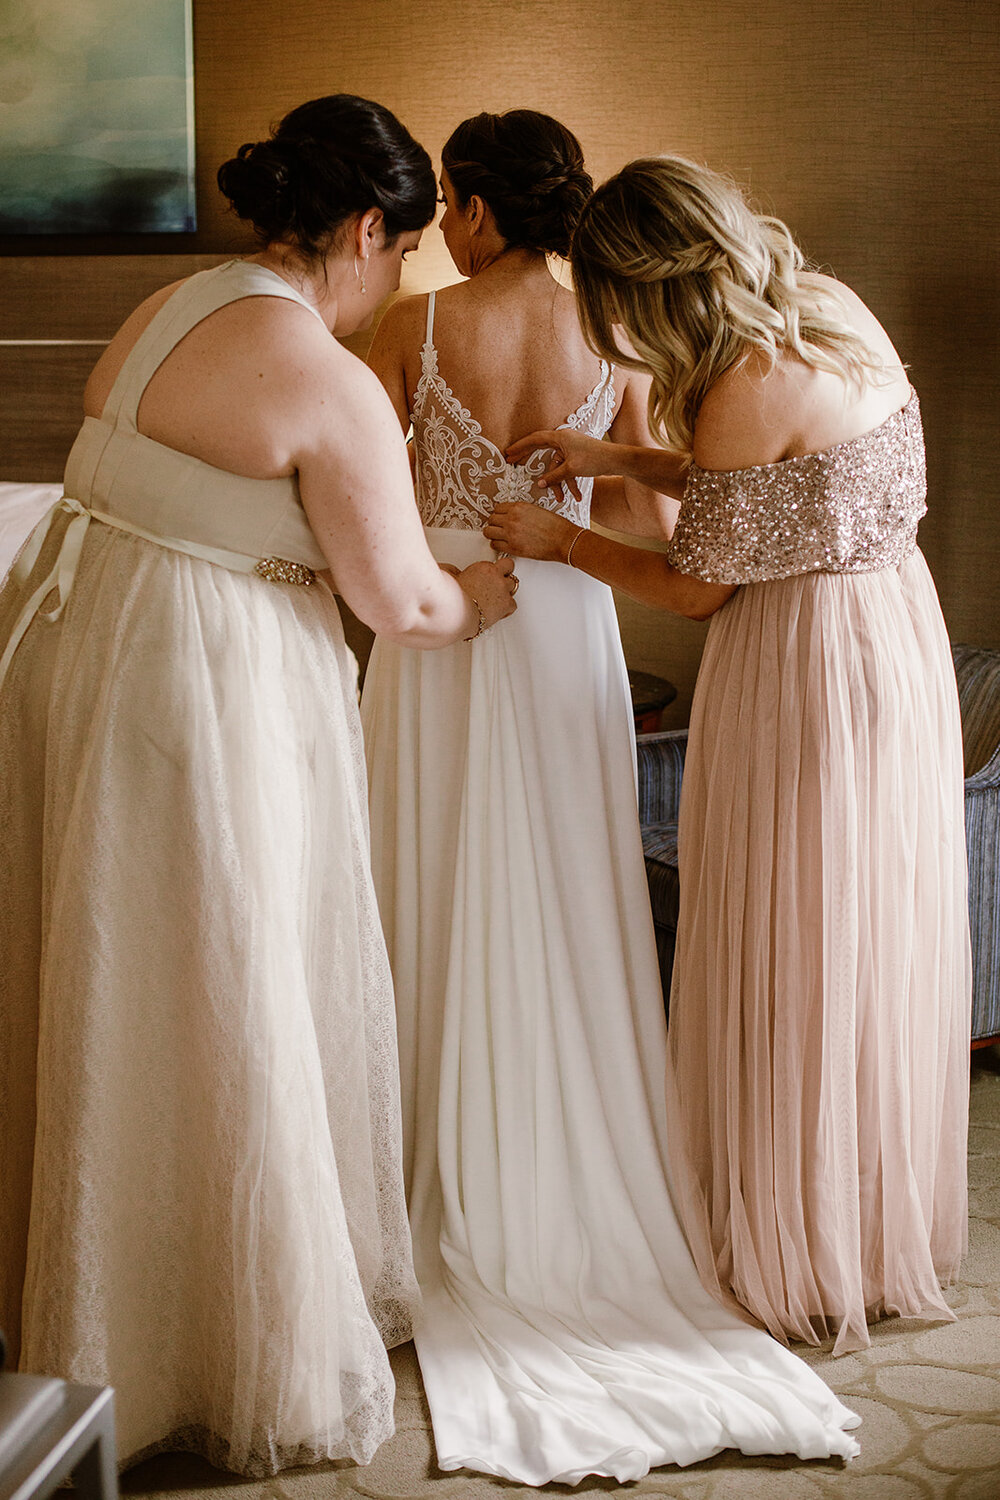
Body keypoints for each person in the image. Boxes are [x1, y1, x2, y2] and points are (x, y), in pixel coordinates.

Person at [0, 93, 516, 1477]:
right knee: (220, 992)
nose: (393, 282)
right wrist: (486, 591)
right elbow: (399, 600)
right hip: (192, 692)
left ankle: (84, 1297)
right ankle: (209, 1335)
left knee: (109, 981)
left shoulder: (169, 304)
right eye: (400, 254)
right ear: (364, 228)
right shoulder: (328, 378)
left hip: (68, 648)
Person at [361, 112, 861, 1487]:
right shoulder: (613, 332)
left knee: (432, 882)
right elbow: (663, 535)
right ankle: (566, 1163)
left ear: (464, 204)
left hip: (446, 631)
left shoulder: (411, 330)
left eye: (450, 201)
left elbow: (359, 500)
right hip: (569, 632)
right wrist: (584, 494)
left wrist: (472, 538)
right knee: (577, 903)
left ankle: (428, 1180)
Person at [489, 153, 971, 1359]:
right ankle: (857, 1223)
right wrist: (623, 463)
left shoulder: (734, 388)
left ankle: (790, 1245)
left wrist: (563, 536)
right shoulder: (833, 314)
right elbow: (786, 491)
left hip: (803, 659)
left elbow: (697, 588)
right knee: (859, 932)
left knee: (791, 933)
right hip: (889, 632)